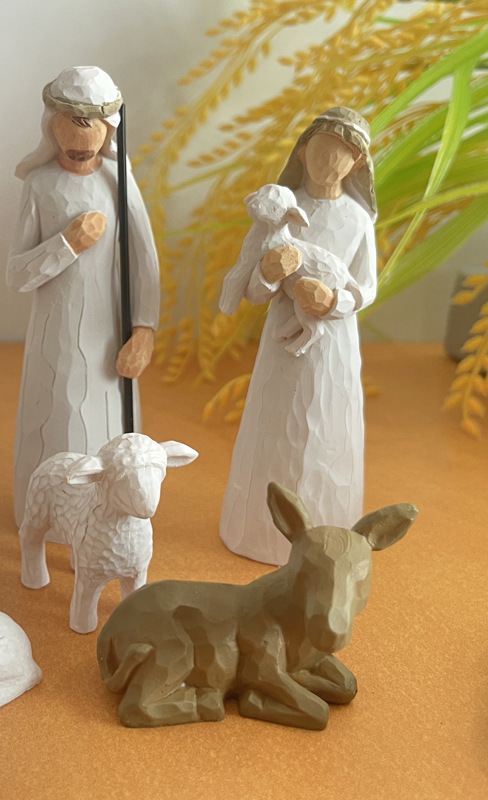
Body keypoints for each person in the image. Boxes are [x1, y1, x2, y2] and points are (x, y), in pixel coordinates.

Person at [218, 107, 377, 565]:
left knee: (326, 431)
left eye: (342, 155)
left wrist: (332, 300)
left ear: (357, 164)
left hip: (333, 347)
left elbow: (366, 287)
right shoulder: (281, 208)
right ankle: (257, 528)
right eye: (322, 150)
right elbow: (253, 290)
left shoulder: (357, 220)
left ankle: (327, 530)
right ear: (303, 151)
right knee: (276, 428)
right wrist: (269, 273)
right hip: (281, 348)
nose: (329, 162)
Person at [7, 67, 160, 525]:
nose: (82, 139)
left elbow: (144, 258)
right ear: (51, 125)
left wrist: (144, 330)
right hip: (52, 337)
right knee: (53, 418)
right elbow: (17, 275)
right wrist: (67, 244)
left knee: (104, 422)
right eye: (72, 124)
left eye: (92, 125)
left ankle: (104, 513)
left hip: (106, 333)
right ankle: (46, 515)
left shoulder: (118, 179)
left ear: (110, 128)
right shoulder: (39, 186)